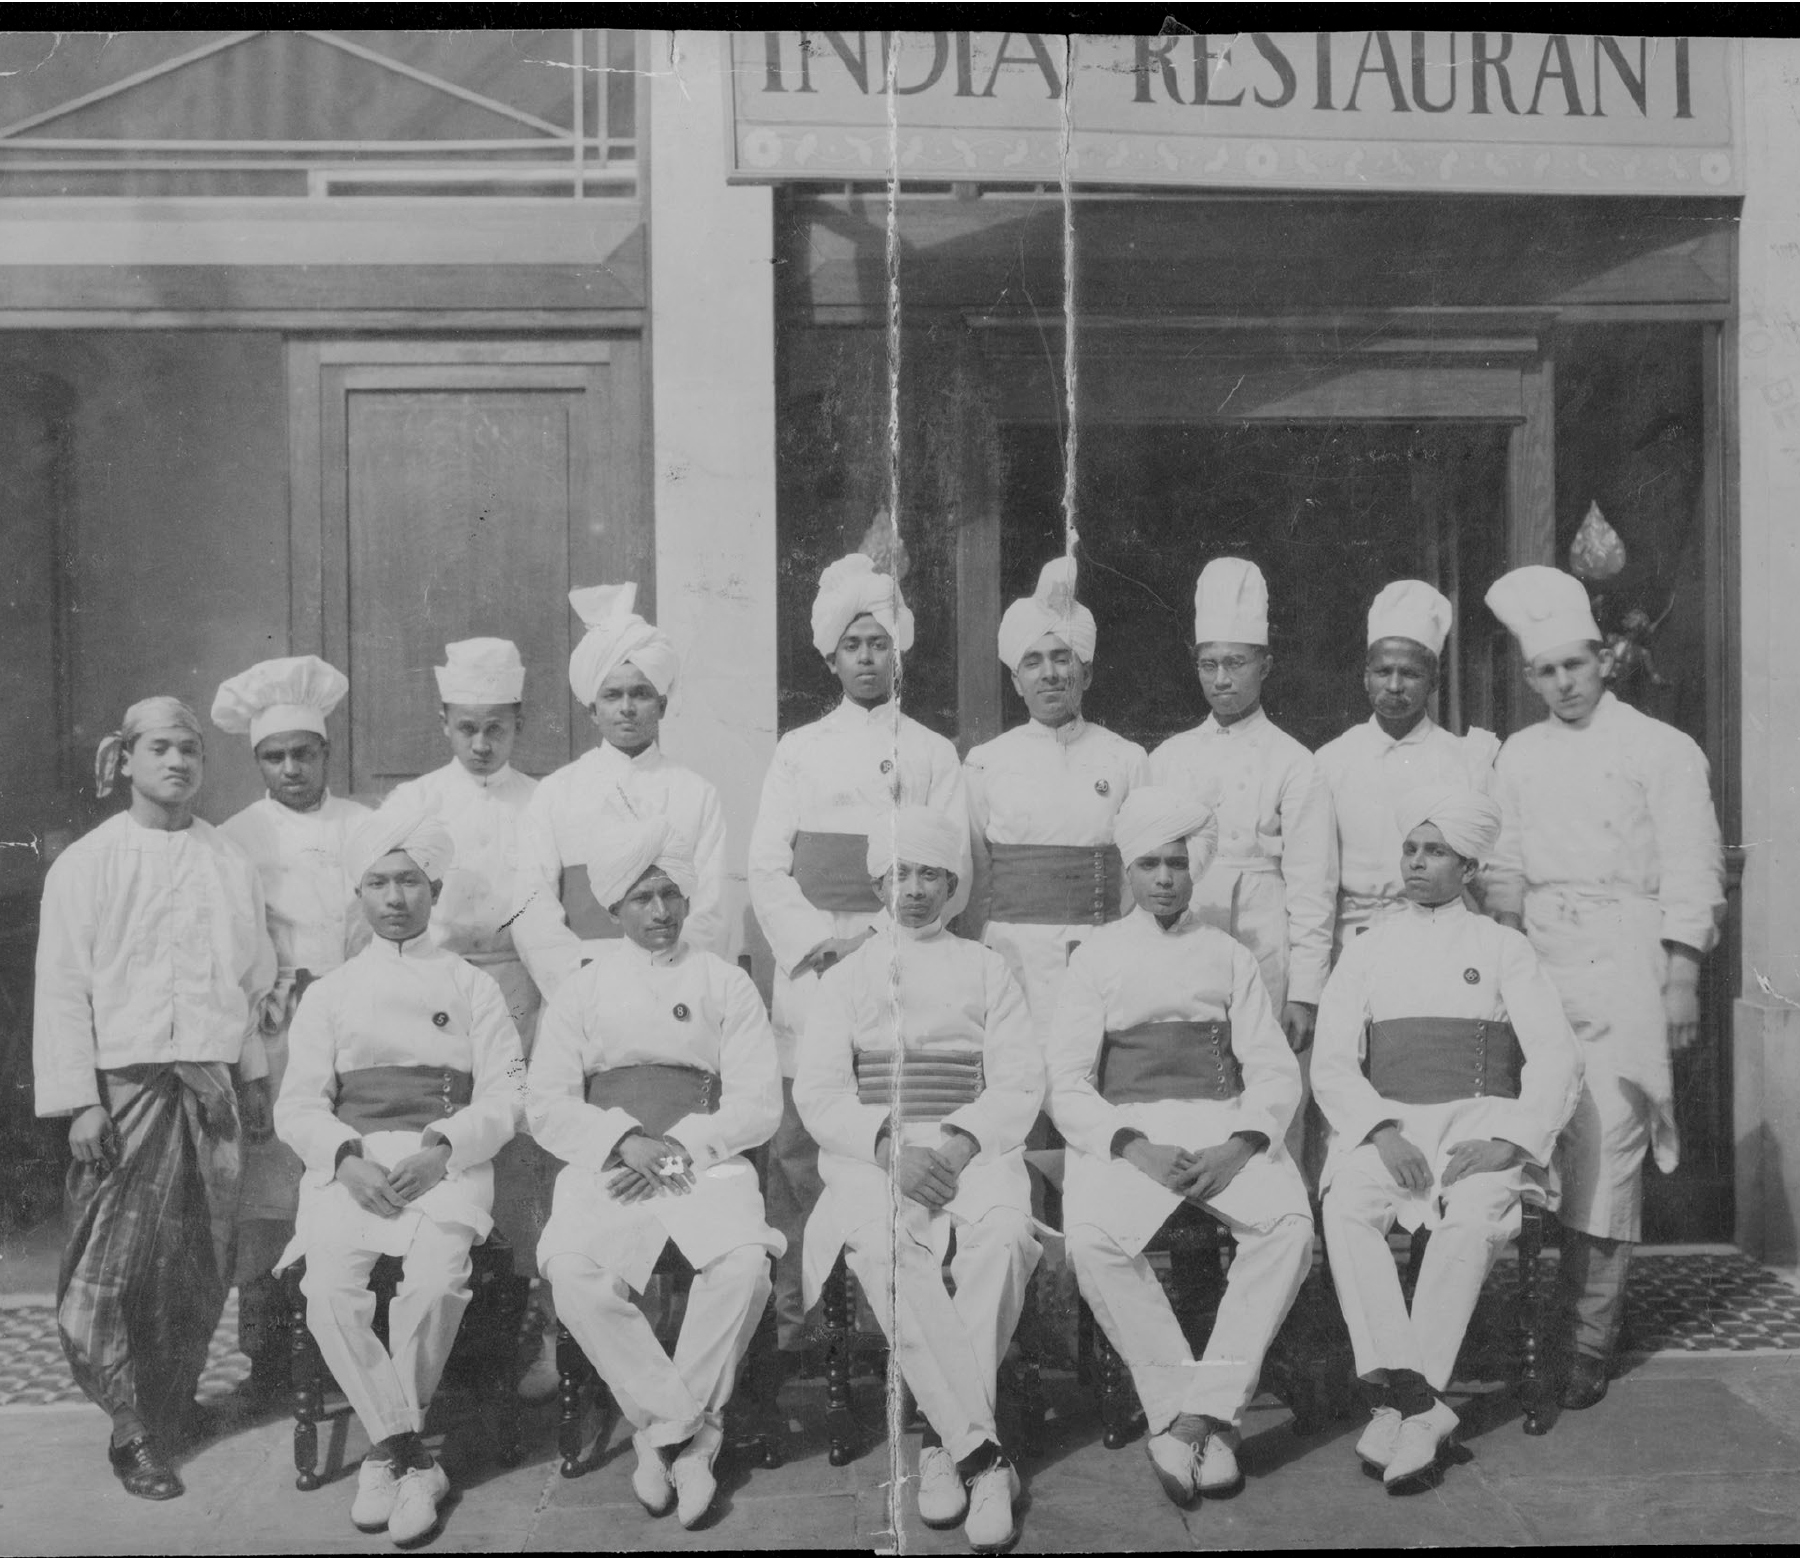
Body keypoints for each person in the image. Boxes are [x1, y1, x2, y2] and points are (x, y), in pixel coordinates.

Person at [1484, 566, 1725, 1409]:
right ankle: (1532, 1321)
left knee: (1609, 1145)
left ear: (1606, 660)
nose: (1563, 685)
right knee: (1545, 1137)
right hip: (1542, 961)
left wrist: (1683, 978)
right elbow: (1506, 869)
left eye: (1575, 667)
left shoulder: (1662, 750)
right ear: (1528, 678)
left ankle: (1588, 1341)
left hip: (1627, 960)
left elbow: (1694, 870)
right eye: (1546, 673)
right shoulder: (1517, 755)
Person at [34, 697, 276, 1501]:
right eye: (160, 750)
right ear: (126, 760)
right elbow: (63, 990)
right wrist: (81, 1102)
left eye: (190, 751)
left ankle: (172, 1408)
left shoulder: (226, 861)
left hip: (209, 1089)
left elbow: (249, 982)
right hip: (124, 1091)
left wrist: (252, 1076)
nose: (177, 763)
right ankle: (129, 1427)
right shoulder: (88, 863)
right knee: (109, 1266)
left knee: (199, 1262)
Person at [1046, 786, 1313, 1511]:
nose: (1164, 878)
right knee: (1094, 1239)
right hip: (1133, 1133)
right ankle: (1181, 1411)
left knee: (1288, 1228)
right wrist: (1132, 1146)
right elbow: (1066, 1083)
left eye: (1176, 864)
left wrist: (1239, 1145)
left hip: (1221, 1122)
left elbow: (1272, 1067)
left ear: (1193, 871)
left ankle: (1200, 1415)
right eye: (1149, 865)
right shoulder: (1095, 957)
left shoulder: (1228, 955)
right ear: (1127, 872)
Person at [1313, 784, 1582, 1488]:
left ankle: (1409, 1405)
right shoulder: (1366, 949)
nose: (1418, 862)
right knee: (1346, 1212)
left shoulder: (1503, 948)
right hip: (1389, 1127)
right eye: (1411, 848)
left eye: (1436, 852)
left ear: (1468, 868)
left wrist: (1514, 1141)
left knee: (1468, 1223)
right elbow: (1333, 1062)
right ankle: (1414, 1401)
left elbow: (1557, 1056)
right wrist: (1378, 1130)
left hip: (1479, 1128)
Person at [274, 800, 522, 1548]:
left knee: (438, 1280)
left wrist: (445, 1146)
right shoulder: (330, 993)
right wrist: (345, 1158)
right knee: (329, 1292)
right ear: (360, 893)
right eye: (379, 882)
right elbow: (298, 1104)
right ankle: (411, 1456)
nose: (394, 898)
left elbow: (509, 1091)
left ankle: (388, 1454)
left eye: (410, 881)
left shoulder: (472, 985)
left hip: (443, 1163)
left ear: (434, 892)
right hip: (353, 1167)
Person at [794, 807, 1039, 1554]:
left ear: (953, 884)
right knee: (883, 1248)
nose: (915, 889)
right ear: (878, 881)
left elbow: (1021, 1078)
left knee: (1003, 1238)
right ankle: (983, 1456)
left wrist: (963, 1144)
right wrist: (889, 1149)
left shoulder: (987, 967)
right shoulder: (848, 978)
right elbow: (820, 1092)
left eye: (931, 873)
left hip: (973, 1150)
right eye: (901, 873)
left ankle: (939, 1436)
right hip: (879, 1156)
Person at [528, 816, 784, 1530]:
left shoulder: (724, 983)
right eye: (643, 898)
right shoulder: (580, 989)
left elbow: (759, 1103)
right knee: (576, 1271)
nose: (662, 912)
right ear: (614, 907)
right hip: (611, 1161)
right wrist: (623, 1141)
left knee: (743, 1266)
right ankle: (685, 1431)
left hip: (700, 1160)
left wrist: (676, 1151)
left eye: (671, 894)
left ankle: (668, 1441)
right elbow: (545, 1104)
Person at [749, 548, 971, 1355]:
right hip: (816, 972)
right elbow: (767, 867)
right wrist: (826, 947)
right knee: (804, 1143)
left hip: (900, 961)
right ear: (831, 656)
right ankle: (799, 1318)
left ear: (900, 649)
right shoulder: (798, 750)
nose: (868, 658)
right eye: (854, 645)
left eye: (880, 643)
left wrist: (881, 944)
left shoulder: (934, 753)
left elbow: (955, 870)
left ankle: (897, 1316)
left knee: (893, 1124)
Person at [383, 637, 556, 1399]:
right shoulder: (413, 802)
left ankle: (539, 1337)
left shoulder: (545, 799)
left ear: (519, 721)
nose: (482, 744)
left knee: (529, 1163)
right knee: (449, 1152)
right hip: (437, 996)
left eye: (498, 728)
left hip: (529, 988)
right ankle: (449, 1347)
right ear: (444, 722)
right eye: (466, 728)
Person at [212, 655, 372, 1393]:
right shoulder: (235, 837)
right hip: (277, 1028)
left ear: (326, 754)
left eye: (302, 754)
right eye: (273, 758)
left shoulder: (366, 826)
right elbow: (235, 951)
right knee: (272, 1193)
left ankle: (358, 1344)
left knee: (352, 1172)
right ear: (258, 763)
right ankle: (271, 1359)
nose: (289, 769)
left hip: (358, 1020)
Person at [963, 555, 1148, 1048]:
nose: (1049, 674)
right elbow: (975, 873)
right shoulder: (986, 763)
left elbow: (1138, 871)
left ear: (1085, 674)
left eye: (1062, 658)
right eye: (1033, 662)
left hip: (1099, 952)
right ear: (1016, 681)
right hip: (1011, 956)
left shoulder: (1125, 759)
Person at [513, 582, 728, 1005]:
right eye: (613, 695)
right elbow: (531, 904)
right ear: (592, 708)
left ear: (662, 705)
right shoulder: (557, 792)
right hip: (585, 983)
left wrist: (675, 978)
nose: (627, 708)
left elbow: (711, 908)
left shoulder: (696, 792)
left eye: (641, 693)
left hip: (676, 983)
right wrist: (576, 981)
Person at [1315, 581, 1499, 957]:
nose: (1395, 686)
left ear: (1433, 680)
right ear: (1366, 675)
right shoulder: (1330, 761)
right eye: (1383, 672)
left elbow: (1487, 875)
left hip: (1441, 940)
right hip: (1351, 941)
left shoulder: (1464, 760)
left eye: (1410, 674)